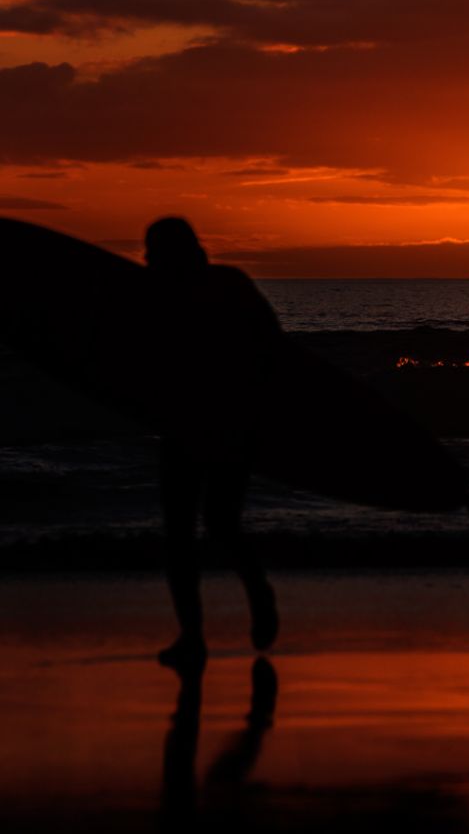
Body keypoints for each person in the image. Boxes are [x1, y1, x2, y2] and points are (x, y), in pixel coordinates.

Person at [146, 217, 280, 671]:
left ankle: (254, 597)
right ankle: (193, 637)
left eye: (153, 251)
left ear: (175, 253)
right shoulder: (167, 295)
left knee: (209, 527)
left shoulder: (215, 288)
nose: (146, 260)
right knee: (189, 532)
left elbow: (268, 351)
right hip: (195, 427)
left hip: (220, 426)